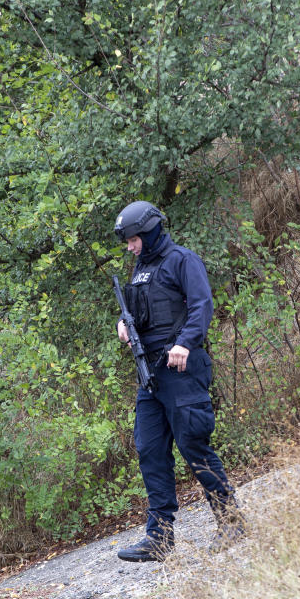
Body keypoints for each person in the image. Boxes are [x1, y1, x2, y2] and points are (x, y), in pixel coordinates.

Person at [112, 200, 245, 562]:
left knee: (194, 446)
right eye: (127, 241)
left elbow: (202, 306)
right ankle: (159, 538)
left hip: (182, 371)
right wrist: (124, 327)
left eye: (133, 238)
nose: (130, 246)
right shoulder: (140, 270)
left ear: (151, 230)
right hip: (150, 376)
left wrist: (185, 343)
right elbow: (138, 315)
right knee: (150, 450)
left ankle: (231, 522)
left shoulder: (183, 260)